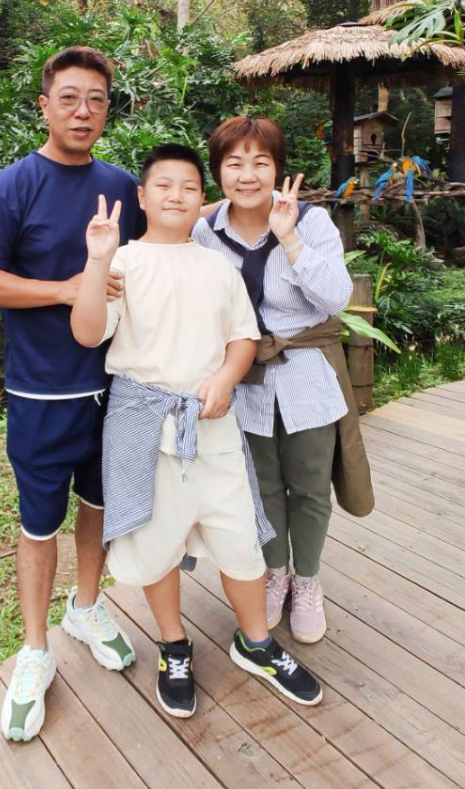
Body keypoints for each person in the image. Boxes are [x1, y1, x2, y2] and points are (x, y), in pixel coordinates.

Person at [71, 143, 323, 719]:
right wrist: (96, 261)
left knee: (240, 537)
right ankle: (173, 646)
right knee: (156, 542)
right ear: (142, 196)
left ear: (201, 198)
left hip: (213, 424)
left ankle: (256, 642)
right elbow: (87, 332)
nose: (177, 196)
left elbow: (243, 337)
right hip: (143, 425)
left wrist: (228, 378)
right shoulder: (121, 262)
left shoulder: (217, 266)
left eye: (188, 187)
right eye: (164, 186)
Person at [0, 46, 143, 742]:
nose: (82, 111)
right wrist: (63, 290)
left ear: (107, 109)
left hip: (117, 384)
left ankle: (86, 607)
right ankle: (35, 648)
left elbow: (173, 234)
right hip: (41, 391)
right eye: (69, 98)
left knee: (99, 505)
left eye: (96, 99)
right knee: (40, 524)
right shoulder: (15, 185)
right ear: (44, 105)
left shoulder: (122, 186)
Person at [193, 116, 374, 645]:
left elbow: (335, 298)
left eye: (260, 162)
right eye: (234, 163)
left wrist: (288, 237)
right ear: (218, 173)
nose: (247, 175)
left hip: (308, 375)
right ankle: (274, 573)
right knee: (262, 486)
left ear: (278, 169)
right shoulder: (207, 232)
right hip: (244, 379)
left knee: (310, 487)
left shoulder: (311, 222)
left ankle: (307, 580)